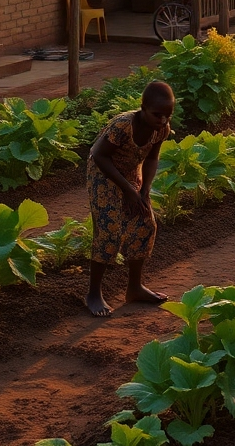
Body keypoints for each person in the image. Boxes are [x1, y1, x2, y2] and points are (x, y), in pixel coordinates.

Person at [85, 80, 174, 317]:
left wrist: (144, 190)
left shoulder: (161, 128)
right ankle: (94, 293)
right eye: (157, 114)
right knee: (109, 229)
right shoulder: (123, 126)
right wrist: (127, 190)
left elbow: (153, 157)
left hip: (129, 174)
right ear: (142, 108)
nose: (163, 120)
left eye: (168, 115)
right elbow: (100, 156)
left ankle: (134, 288)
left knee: (145, 223)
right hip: (103, 173)